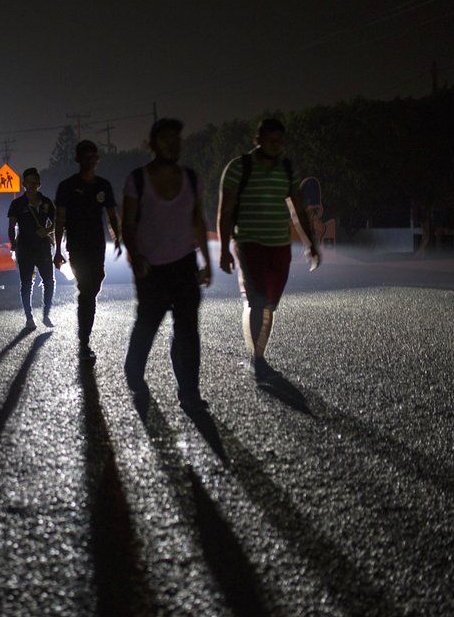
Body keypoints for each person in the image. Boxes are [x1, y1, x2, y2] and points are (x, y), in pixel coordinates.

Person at [218, 118, 321, 382]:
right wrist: (224, 249)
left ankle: (258, 353)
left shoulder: (287, 169)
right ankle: (258, 359)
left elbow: (298, 210)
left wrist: (311, 243)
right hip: (249, 244)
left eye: (280, 141)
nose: (276, 146)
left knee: (270, 306)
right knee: (257, 301)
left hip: (279, 247)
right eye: (271, 140)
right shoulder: (238, 168)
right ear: (259, 139)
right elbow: (226, 211)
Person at [122, 118, 212, 410]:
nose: (172, 144)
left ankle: (189, 392)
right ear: (152, 145)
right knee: (147, 326)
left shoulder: (191, 178)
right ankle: (134, 375)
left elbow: (198, 220)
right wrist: (137, 259)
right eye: (165, 139)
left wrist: (207, 262)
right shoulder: (137, 180)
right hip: (151, 269)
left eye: (176, 138)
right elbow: (128, 225)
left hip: (185, 265)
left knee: (188, 331)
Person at [53, 140, 122, 362]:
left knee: (96, 282)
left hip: (97, 244)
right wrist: (57, 250)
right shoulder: (67, 186)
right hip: (76, 245)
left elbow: (111, 214)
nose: (91, 160)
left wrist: (118, 237)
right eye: (86, 156)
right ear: (78, 159)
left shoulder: (103, 185)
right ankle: (84, 341)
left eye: (94, 156)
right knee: (85, 288)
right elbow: (60, 218)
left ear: (97, 159)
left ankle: (85, 320)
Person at [7, 168, 56, 329]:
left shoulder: (47, 202)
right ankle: (29, 316)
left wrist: (48, 231)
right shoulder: (17, 203)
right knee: (26, 283)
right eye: (29, 182)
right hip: (25, 248)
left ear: (39, 184)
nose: (32, 185)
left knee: (49, 281)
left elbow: (58, 222)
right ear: (24, 184)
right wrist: (13, 244)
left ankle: (46, 314)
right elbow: (11, 225)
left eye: (35, 181)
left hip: (43, 247)